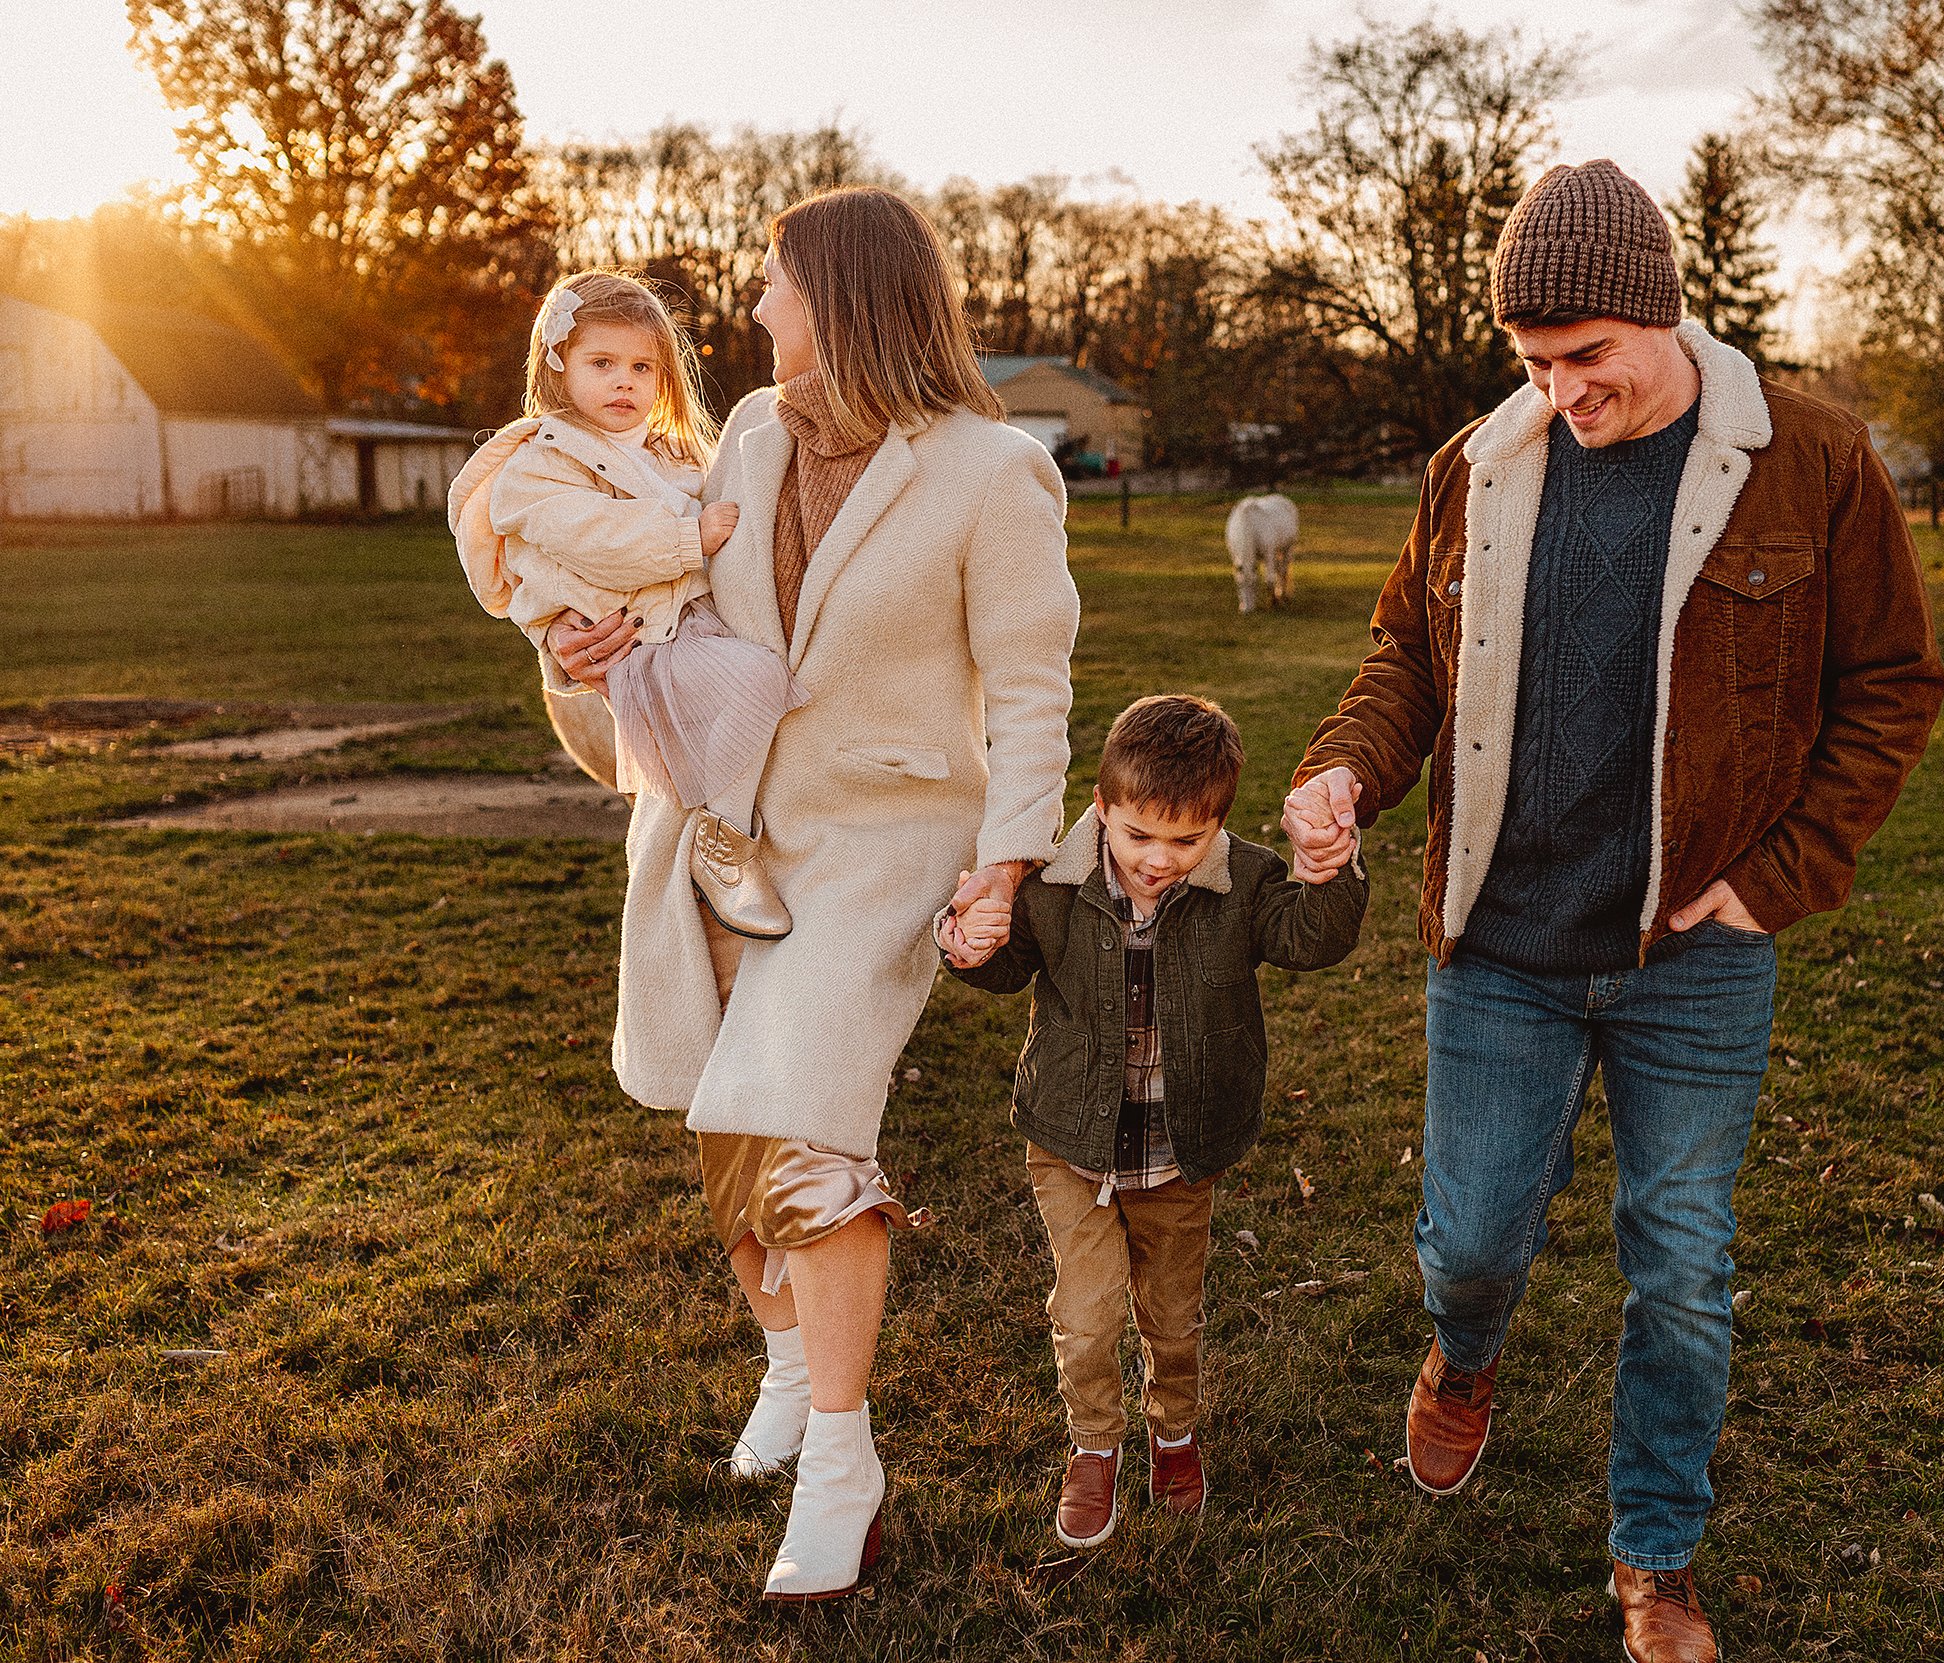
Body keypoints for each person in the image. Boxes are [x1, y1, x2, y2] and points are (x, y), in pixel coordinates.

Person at [1281, 160, 1944, 1663]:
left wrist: (1774, 877)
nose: (1566, 391)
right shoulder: (1476, 466)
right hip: (1501, 945)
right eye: (1535, 364)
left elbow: (1893, 683)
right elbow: (1405, 658)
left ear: (1663, 315)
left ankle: (1656, 1553)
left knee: (1683, 1263)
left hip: (1694, 954)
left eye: (1591, 358)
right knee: (1471, 1240)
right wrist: (1342, 773)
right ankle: (1466, 1350)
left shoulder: (1812, 459)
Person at [547, 188, 1082, 1603]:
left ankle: (844, 1465)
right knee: (717, 1114)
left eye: (776, 284)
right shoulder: (748, 434)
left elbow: (1030, 690)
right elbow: (694, 623)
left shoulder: (992, 470)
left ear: (839, 299)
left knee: (798, 1125)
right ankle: (787, 1359)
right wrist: (582, 659)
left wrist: (1009, 860)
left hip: (883, 840)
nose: (755, 309)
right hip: (718, 829)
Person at [942, 695, 1367, 1550]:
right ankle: (1094, 1442)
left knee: (1172, 1317)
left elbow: (1309, 937)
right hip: (1071, 1137)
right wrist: (968, 938)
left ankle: (1173, 1430)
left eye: (1187, 840)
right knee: (1090, 1310)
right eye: (1139, 836)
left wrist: (1330, 868)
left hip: (1182, 1146)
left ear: (1220, 824)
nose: (1160, 860)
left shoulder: (1242, 882)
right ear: (1102, 809)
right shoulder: (1054, 881)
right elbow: (1007, 965)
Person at [448, 271, 807, 940]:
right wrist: (686, 537)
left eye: (642, 366)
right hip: (641, 644)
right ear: (557, 369)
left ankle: (728, 828)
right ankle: (722, 846)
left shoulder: (668, 454)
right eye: (603, 363)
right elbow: (590, 537)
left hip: (687, 628)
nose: (625, 382)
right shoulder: (540, 463)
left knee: (765, 696)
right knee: (758, 682)